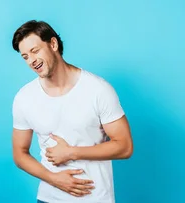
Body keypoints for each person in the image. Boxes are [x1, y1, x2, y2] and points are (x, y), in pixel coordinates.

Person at [10, 20, 134, 203]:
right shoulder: (24, 97)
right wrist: (54, 179)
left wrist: (72, 152)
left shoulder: (98, 90)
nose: (31, 60)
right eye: (25, 56)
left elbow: (125, 147)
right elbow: (20, 154)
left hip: (95, 198)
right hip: (48, 198)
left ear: (53, 44)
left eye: (35, 51)